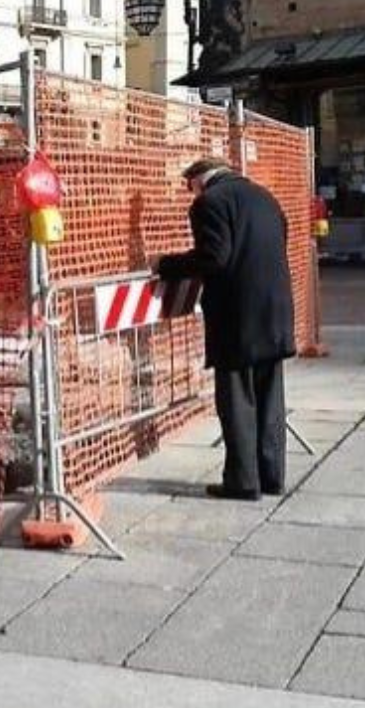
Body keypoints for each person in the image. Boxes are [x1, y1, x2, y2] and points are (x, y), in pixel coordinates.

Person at [155, 157, 296, 501]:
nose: (191, 195)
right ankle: (271, 476)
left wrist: (166, 264)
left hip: (238, 316)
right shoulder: (266, 197)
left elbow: (214, 256)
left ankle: (243, 481)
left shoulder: (210, 202)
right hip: (275, 311)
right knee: (269, 399)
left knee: (236, 401)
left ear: (199, 180)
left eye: (190, 188)